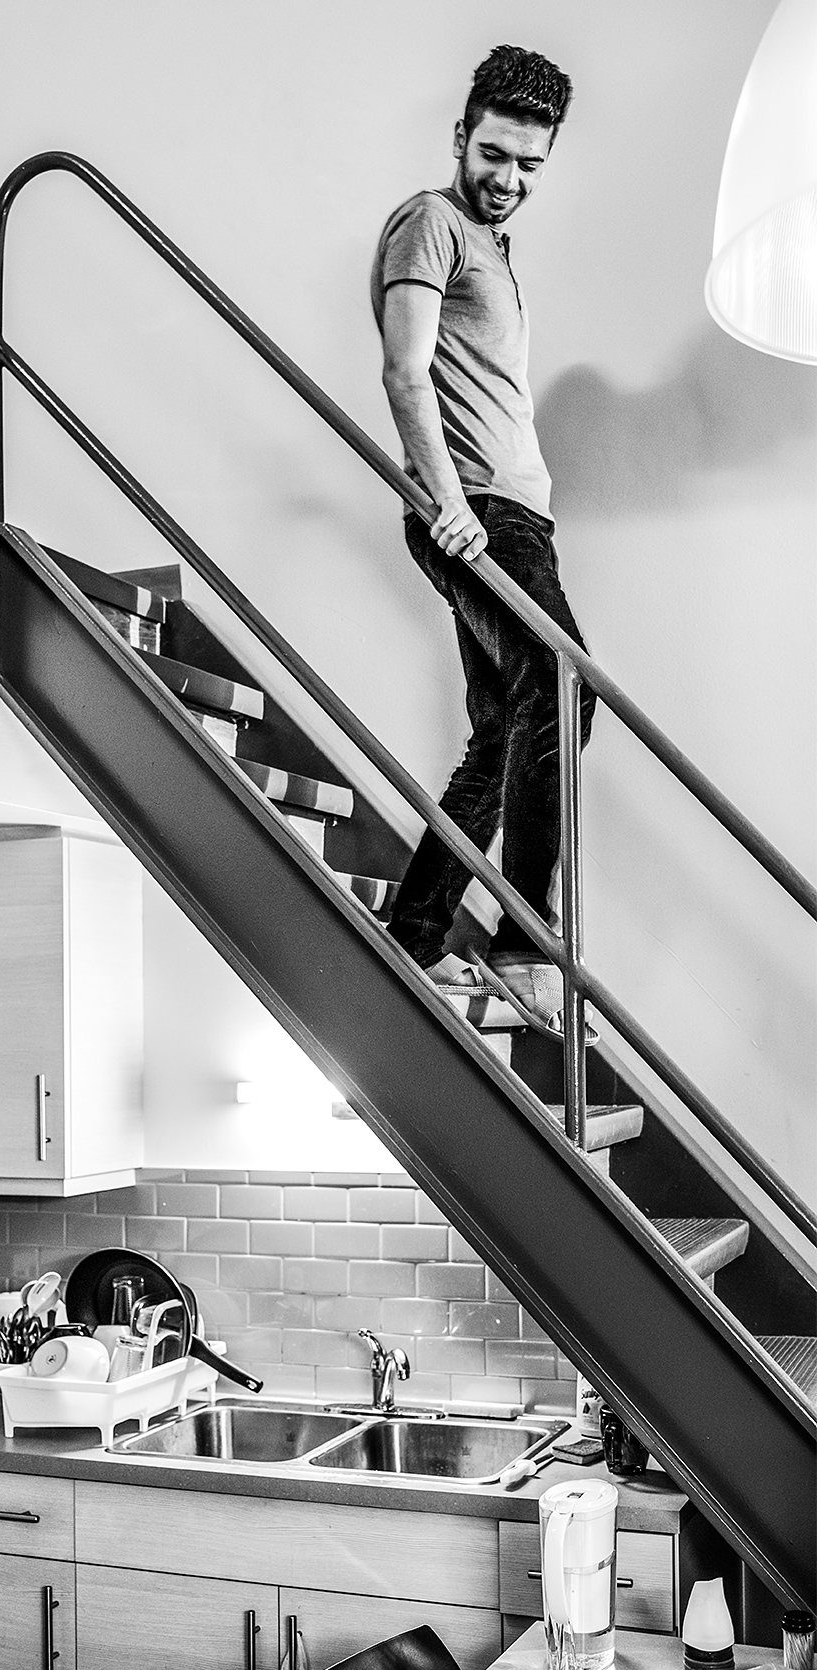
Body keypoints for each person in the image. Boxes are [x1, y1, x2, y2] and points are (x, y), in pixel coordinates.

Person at [371, 44, 596, 1036]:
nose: (508, 179)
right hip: (484, 516)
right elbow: (404, 369)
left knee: (504, 733)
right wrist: (446, 498)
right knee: (562, 683)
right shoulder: (430, 223)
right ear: (461, 137)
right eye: (495, 155)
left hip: (516, 515)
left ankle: (415, 926)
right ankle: (522, 941)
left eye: (529, 167)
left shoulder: (494, 246)